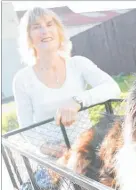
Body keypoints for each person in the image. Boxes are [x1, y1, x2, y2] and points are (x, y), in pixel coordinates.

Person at [13, 7, 121, 158]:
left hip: (86, 149)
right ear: (29, 37)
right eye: (36, 27)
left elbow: (112, 88)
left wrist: (76, 101)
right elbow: (25, 127)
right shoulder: (22, 79)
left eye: (49, 24)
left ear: (58, 31)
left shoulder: (78, 64)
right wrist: (45, 148)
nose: (45, 31)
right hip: (53, 158)